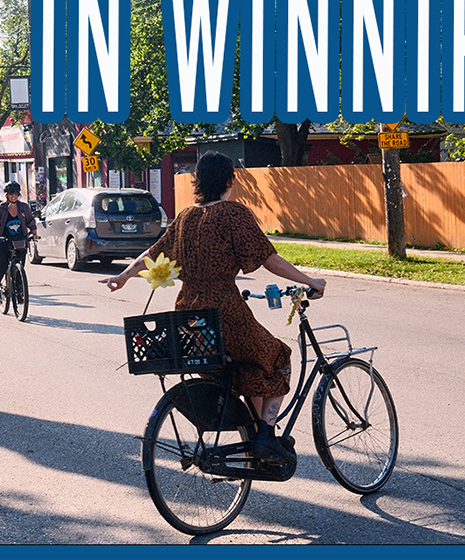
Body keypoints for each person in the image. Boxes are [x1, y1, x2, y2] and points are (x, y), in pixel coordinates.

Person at [98, 152, 327, 466]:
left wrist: (123, 276)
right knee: (277, 356)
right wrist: (310, 280)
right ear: (230, 180)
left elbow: (153, 253)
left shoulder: (185, 217)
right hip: (224, 313)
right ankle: (264, 436)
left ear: (198, 182)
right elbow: (269, 259)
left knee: (242, 368)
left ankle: (257, 444)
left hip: (189, 318)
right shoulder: (233, 214)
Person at [0, 181, 38, 294]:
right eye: (11, 193)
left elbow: (31, 221)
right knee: (1, 264)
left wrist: (34, 234)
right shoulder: (1, 208)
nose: (14, 196)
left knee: (20, 268)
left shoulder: (24, 207)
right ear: (6, 194)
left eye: (16, 193)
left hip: (20, 240)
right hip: (4, 240)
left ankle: (20, 292)